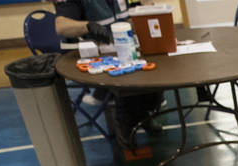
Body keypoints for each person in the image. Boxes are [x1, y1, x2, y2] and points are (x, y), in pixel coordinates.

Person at [53, 0, 163, 150]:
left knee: (156, 66)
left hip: (125, 48)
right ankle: (125, 124)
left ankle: (144, 115)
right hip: (97, 57)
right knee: (128, 77)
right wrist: (87, 26)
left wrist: (144, 11)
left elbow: (125, 20)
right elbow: (61, 26)